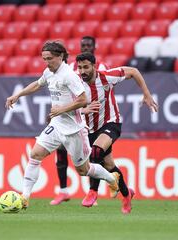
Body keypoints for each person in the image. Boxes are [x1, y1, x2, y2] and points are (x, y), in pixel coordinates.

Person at [5, 41, 120, 210]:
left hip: (74, 129)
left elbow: (83, 100)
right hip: (57, 125)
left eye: (49, 58)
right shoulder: (49, 72)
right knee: (35, 154)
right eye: (44, 59)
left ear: (60, 57)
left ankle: (112, 179)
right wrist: (18, 95)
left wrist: (61, 110)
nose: (46, 62)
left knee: (83, 170)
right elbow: (37, 84)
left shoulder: (69, 75)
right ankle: (25, 197)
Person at [76, 52, 158, 213]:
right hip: (89, 129)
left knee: (96, 152)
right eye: (80, 68)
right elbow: (71, 106)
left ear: (94, 66)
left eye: (86, 67)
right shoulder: (76, 83)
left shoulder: (107, 77)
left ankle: (93, 191)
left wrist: (147, 94)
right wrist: (84, 110)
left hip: (111, 122)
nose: (83, 71)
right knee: (108, 165)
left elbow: (133, 71)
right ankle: (127, 194)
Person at [51, 36, 109, 206]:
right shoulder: (70, 68)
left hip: (93, 118)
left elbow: (104, 93)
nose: (85, 47)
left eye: (88, 45)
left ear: (95, 47)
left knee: (91, 157)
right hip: (75, 115)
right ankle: (63, 191)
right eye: (83, 45)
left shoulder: (102, 67)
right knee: (60, 148)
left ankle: (92, 192)